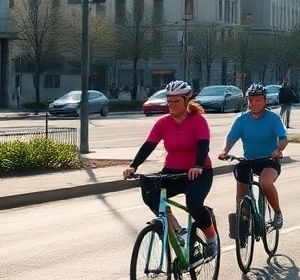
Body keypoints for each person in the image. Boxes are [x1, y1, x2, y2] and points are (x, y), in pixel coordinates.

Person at [122, 80, 219, 255]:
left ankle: (211, 238)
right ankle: (175, 228)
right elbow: (148, 145)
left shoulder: (198, 121)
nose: (172, 105)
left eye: (176, 101)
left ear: (186, 100)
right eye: (170, 101)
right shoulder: (163, 123)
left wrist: (197, 166)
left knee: (194, 204)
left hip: (198, 173)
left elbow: (203, 145)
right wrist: (133, 166)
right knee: (149, 189)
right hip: (172, 172)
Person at [218, 83, 288, 230]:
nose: (254, 104)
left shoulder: (272, 118)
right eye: (251, 100)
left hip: (269, 161)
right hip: (249, 161)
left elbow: (283, 138)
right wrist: (224, 150)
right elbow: (231, 138)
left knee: (265, 182)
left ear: (264, 101)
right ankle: (243, 222)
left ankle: (277, 213)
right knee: (240, 195)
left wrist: (278, 150)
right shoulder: (242, 119)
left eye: (258, 100)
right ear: (247, 101)